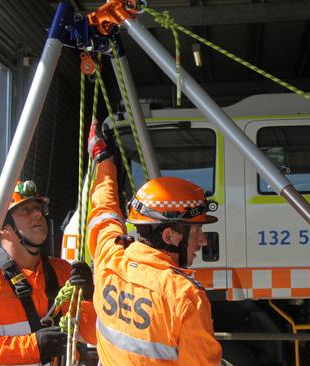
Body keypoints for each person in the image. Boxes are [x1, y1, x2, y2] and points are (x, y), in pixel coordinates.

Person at [87, 120, 223, 365]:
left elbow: (103, 211)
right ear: (169, 236)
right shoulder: (185, 297)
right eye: (196, 231)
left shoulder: (110, 257)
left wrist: (103, 161)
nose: (202, 240)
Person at [0, 180, 97, 365]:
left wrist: (90, 298)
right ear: (2, 225)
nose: (37, 214)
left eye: (38, 208)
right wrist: (33, 347)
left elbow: (92, 335)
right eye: (25, 210)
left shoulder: (63, 272)